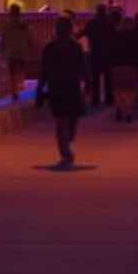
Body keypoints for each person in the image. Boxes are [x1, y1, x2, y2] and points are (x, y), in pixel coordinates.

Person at [37, 16, 88, 167]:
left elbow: (43, 72)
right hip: (70, 87)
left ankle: (65, 149)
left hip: (58, 87)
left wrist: (40, 90)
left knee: (63, 122)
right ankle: (67, 149)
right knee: (70, 120)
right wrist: (88, 83)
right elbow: (83, 67)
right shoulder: (73, 46)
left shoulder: (52, 47)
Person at [110, 13, 138, 122]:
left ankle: (119, 108)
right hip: (131, 66)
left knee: (118, 90)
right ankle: (129, 112)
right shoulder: (136, 37)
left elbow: (111, 52)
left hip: (117, 66)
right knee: (131, 90)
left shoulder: (115, 36)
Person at [0, 4, 33, 103]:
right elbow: (29, 39)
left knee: (12, 73)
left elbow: (2, 40)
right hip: (22, 52)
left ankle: (14, 91)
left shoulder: (6, 26)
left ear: (10, 13)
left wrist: (3, 51)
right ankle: (19, 88)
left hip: (10, 52)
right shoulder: (24, 26)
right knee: (20, 71)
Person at [84, 4, 115, 108]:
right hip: (107, 53)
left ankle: (95, 99)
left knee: (95, 78)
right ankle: (109, 98)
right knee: (108, 78)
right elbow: (114, 36)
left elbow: (84, 33)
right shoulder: (109, 23)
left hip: (95, 53)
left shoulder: (91, 23)